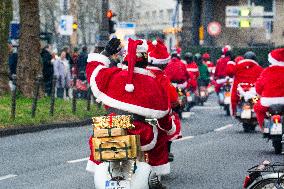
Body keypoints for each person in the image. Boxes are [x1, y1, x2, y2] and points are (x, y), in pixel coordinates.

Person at [85, 38, 174, 184]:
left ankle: (101, 169)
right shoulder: (153, 83)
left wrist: (105, 53)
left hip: (113, 124)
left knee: (98, 136)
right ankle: (154, 176)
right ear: (146, 61)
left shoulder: (112, 75)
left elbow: (94, 70)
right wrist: (170, 129)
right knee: (160, 139)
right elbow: (164, 117)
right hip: (140, 131)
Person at [147, 39, 179, 173]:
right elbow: (173, 98)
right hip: (154, 115)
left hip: (130, 114)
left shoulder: (130, 73)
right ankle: (166, 152)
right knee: (171, 123)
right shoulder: (162, 77)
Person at [254, 48, 284, 129]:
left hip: (267, 100)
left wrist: (259, 94)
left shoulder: (267, 71)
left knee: (257, 108)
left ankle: (263, 127)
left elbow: (259, 86)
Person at [226, 52, 263, 116]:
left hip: (240, 94)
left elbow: (230, 72)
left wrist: (231, 62)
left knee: (238, 101)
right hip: (253, 95)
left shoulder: (238, 66)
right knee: (259, 100)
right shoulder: (259, 68)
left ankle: (236, 112)